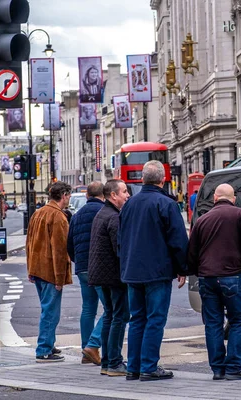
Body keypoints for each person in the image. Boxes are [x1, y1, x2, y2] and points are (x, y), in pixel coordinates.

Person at [119, 160, 188, 381]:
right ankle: (149, 367)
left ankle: (134, 367)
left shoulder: (129, 204)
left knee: (137, 318)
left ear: (142, 179)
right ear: (162, 179)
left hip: (132, 271)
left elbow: (121, 239)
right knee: (155, 319)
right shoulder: (166, 204)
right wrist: (183, 268)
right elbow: (178, 240)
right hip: (157, 271)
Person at [187, 183, 241, 381]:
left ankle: (218, 369)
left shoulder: (202, 220)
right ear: (233, 199)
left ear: (215, 199)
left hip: (207, 278)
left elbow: (192, 250)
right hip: (232, 276)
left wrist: (195, 271)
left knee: (213, 323)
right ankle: (234, 366)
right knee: (240, 320)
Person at [26, 181, 72, 363]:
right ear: (64, 196)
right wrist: (60, 278)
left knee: (48, 309)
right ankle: (44, 348)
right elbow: (60, 250)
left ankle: (49, 344)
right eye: (68, 195)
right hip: (50, 272)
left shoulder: (38, 213)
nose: (68, 199)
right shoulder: (58, 217)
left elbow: (29, 243)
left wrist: (30, 269)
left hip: (37, 269)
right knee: (51, 312)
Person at [88, 180, 130, 376]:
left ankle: (106, 362)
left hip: (101, 274)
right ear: (113, 195)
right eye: (124, 192)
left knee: (110, 316)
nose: (127, 195)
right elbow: (119, 250)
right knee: (119, 317)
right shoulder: (114, 217)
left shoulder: (101, 214)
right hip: (114, 276)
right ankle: (114, 361)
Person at [67, 181, 105, 366]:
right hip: (100, 267)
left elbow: (69, 243)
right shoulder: (106, 212)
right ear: (103, 195)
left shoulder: (77, 215)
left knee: (88, 308)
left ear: (87, 196)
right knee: (113, 310)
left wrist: (78, 261)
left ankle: (85, 351)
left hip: (82, 267)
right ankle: (92, 344)